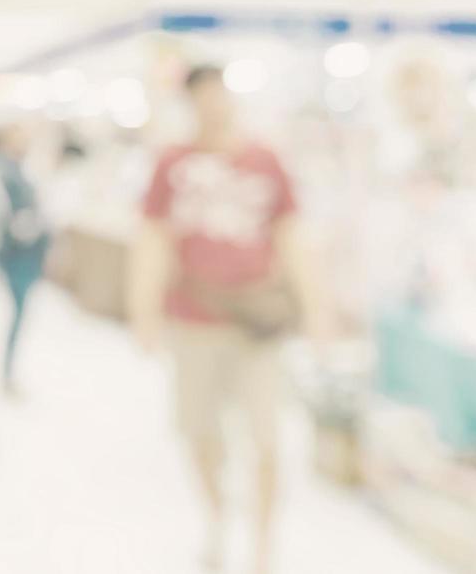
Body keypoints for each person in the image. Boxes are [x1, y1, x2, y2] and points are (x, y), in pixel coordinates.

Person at [129, 65, 330, 574]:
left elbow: (291, 237)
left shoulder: (266, 161)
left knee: (266, 440)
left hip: (255, 324)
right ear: (191, 104)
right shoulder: (171, 163)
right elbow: (153, 239)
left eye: (220, 96)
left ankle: (263, 549)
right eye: (204, 98)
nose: (215, 107)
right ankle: (218, 517)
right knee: (199, 433)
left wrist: (316, 310)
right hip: (194, 321)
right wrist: (143, 312)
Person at [0, 121, 52, 396]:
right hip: (14, 253)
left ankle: (9, 371)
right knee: (16, 314)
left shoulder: (20, 168)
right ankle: (7, 373)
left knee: (19, 315)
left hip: (27, 252)